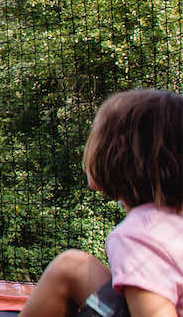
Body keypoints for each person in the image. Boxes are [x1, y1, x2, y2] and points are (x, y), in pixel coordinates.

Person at [19, 89, 183, 317]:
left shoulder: (140, 235)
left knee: (67, 267)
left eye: (95, 134)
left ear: (118, 151)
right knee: (71, 267)